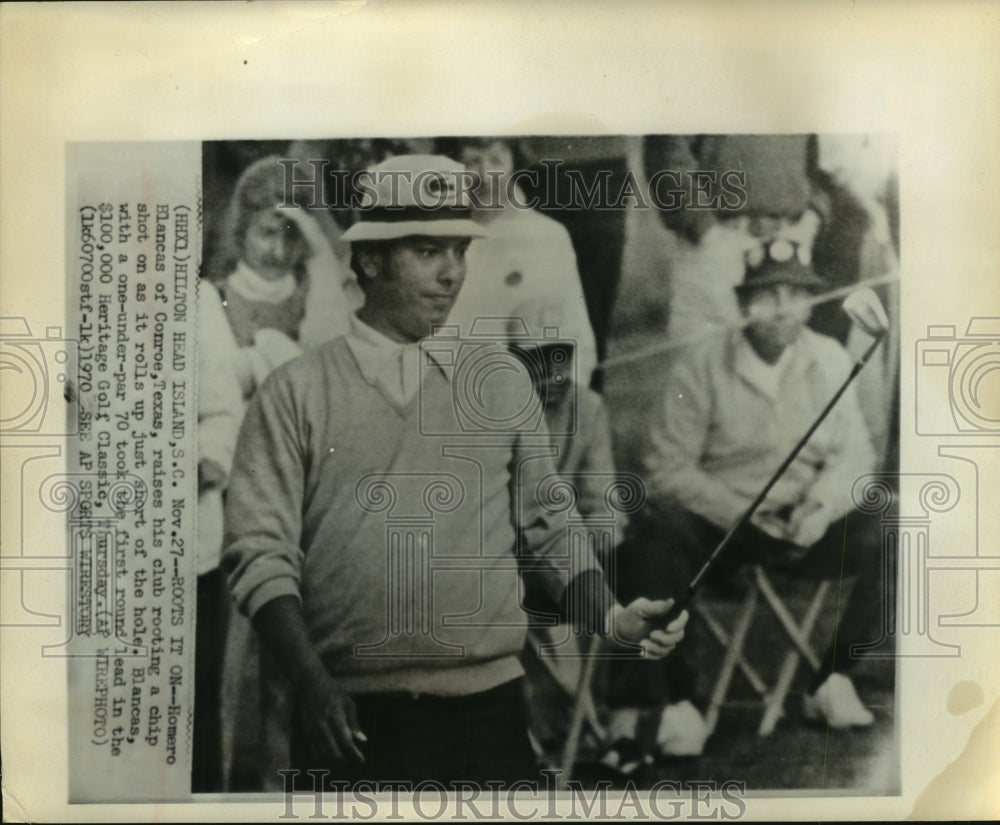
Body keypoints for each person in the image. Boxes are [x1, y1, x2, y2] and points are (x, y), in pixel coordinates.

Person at [221, 154, 689, 791]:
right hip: (349, 714)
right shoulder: (295, 393)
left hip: (489, 712)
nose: (451, 275)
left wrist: (612, 616)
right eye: (425, 251)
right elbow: (260, 553)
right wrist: (313, 684)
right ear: (369, 261)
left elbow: (549, 530)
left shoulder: (501, 383)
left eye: (460, 252)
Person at [632, 237, 883, 735]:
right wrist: (738, 512)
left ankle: (832, 677)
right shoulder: (700, 365)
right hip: (725, 528)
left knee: (898, 523)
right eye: (768, 296)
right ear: (743, 304)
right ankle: (678, 700)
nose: (783, 310)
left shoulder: (830, 358)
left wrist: (820, 505)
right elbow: (665, 468)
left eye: (796, 294)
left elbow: (855, 457)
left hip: (804, 525)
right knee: (656, 541)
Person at [436, 137, 599, 385]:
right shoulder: (436, 240)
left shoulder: (545, 236)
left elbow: (571, 347)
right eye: (472, 162)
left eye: (496, 159)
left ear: (515, 160)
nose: (486, 174)